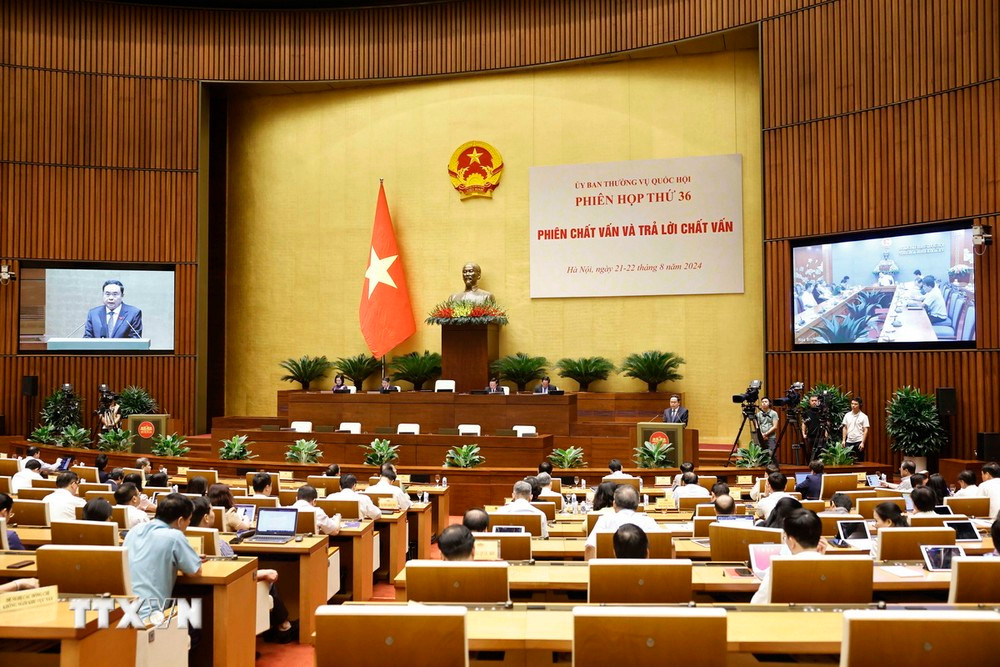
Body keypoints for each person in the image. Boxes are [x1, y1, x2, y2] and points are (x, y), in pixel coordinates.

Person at [189, 498, 295, 641]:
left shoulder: (183, 540)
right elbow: (237, 572)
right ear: (206, 517)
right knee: (268, 578)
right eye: (212, 510)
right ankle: (284, 626)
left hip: (202, 596)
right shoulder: (219, 544)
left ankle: (280, 625)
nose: (215, 513)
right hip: (232, 592)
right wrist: (263, 573)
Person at [123, 494, 202, 619]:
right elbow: (195, 572)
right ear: (181, 521)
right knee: (195, 622)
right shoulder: (174, 536)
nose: (189, 524)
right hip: (150, 617)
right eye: (189, 520)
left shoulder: (134, 531)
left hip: (122, 612)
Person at [751, 509, 823, 604]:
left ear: (792, 541)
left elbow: (757, 604)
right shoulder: (838, 567)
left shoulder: (779, 568)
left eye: (785, 537)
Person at [585, 485, 659, 560]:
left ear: (614, 504)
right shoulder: (648, 521)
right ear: (637, 504)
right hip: (646, 570)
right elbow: (670, 544)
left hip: (609, 570)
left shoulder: (604, 520)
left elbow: (590, 547)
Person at [800, 395, 826, 460]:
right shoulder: (806, 413)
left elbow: (826, 423)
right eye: (812, 401)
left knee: (821, 454)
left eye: (815, 400)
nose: (814, 402)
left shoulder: (822, 412)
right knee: (811, 453)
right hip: (810, 436)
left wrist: (826, 434)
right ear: (809, 402)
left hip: (821, 436)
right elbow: (804, 423)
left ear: (818, 401)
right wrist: (803, 433)